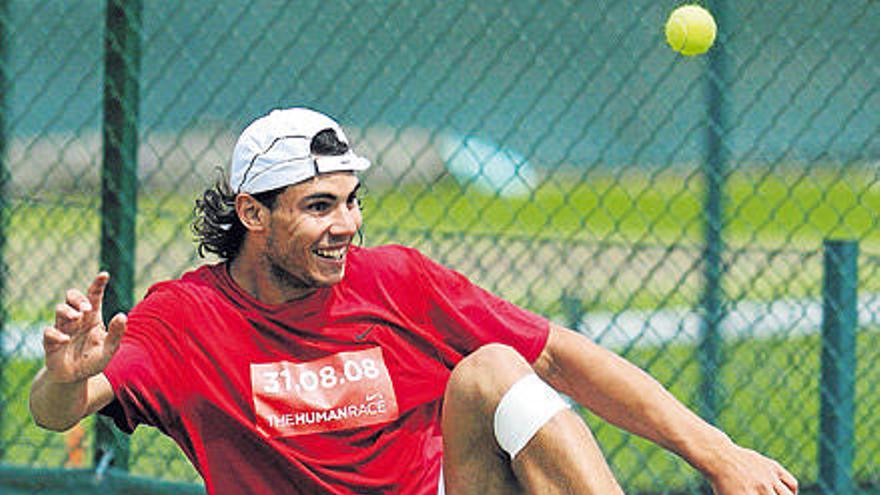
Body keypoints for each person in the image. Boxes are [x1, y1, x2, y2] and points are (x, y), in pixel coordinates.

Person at [29, 107, 798, 495]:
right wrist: (65, 372)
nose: (347, 226)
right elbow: (59, 410)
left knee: (495, 365)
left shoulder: (396, 278)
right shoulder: (184, 315)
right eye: (320, 206)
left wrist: (718, 453)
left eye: (352, 201)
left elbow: (562, 354)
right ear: (253, 214)